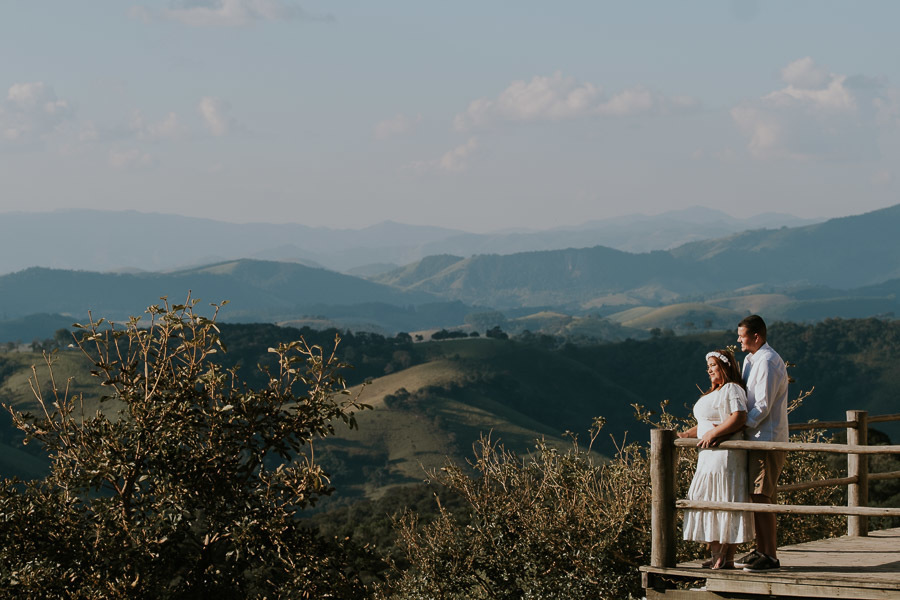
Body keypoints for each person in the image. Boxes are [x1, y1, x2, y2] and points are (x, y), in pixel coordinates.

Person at [679, 348, 754, 569]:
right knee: (707, 499)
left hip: (725, 457)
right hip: (708, 457)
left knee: (725, 500)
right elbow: (706, 423)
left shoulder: (732, 389)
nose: (709, 370)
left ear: (725, 367)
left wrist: (713, 433)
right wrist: (686, 435)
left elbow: (739, 417)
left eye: (713, 366)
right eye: (708, 367)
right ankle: (716, 554)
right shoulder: (716, 391)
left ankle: (725, 556)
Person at [733, 315, 789, 573]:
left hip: (766, 438)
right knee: (757, 496)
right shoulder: (751, 360)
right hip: (756, 438)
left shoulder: (767, 361)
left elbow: (763, 405)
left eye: (742, 335)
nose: (738, 340)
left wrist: (741, 425)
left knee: (762, 495)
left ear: (756, 336)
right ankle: (761, 549)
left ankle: (770, 555)